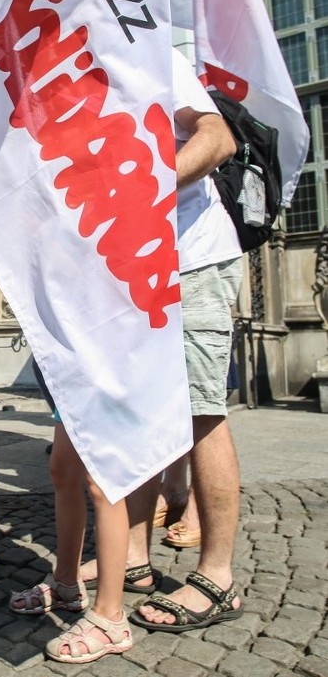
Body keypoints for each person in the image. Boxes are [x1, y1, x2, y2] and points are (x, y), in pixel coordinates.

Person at [75, 50, 242, 641]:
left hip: (192, 258)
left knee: (200, 413)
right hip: (135, 269)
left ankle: (217, 575)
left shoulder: (140, 51)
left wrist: (146, 193)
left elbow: (217, 137)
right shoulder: (70, 83)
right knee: (142, 415)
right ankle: (137, 558)